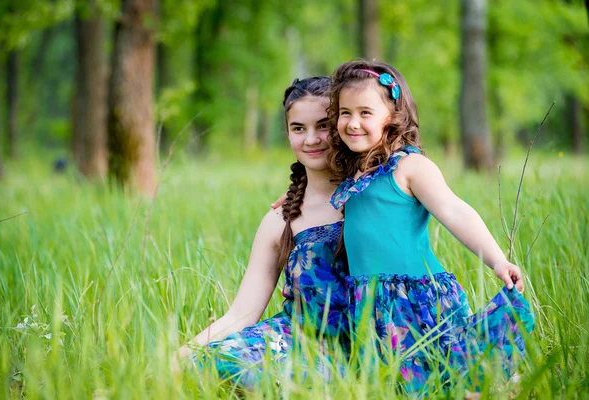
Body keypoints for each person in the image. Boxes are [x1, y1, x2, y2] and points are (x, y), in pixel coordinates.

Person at [325, 60, 535, 391]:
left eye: (365, 113)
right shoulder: (350, 172)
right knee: (395, 386)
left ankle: (497, 383)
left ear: (392, 115)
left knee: (445, 378)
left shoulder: (410, 166)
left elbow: (455, 211)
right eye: (344, 112)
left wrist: (497, 260)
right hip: (368, 303)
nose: (352, 123)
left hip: (414, 296)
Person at [176, 77, 349, 390]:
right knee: (213, 362)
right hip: (295, 340)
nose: (311, 139)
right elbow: (242, 313)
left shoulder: (372, 198)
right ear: (287, 134)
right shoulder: (281, 219)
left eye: (323, 125)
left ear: (341, 126)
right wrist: (177, 359)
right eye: (298, 128)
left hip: (355, 348)